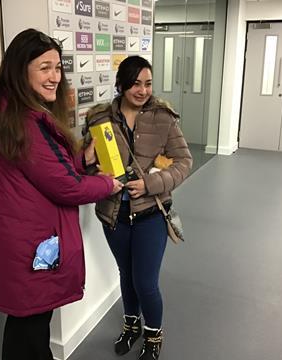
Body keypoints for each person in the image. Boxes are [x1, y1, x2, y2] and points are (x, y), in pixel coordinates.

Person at [0, 28, 123, 360]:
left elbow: (47, 170)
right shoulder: (26, 123)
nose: (55, 76)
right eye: (45, 67)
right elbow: (66, 186)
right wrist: (108, 184)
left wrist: (81, 160)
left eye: (57, 67)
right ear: (20, 70)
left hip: (24, 243)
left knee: (28, 327)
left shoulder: (11, 113)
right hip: (32, 247)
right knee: (28, 330)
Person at [83, 56, 192, 360]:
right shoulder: (98, 118)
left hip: (151, 214)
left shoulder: (163, 117)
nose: (142, 90)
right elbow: (85, 171)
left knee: (145, 280)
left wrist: (151, 185)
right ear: (121, 85)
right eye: (135, 83)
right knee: (126, 274)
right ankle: (131, 326)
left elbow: (184, 161)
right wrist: (88, 162)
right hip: (113, 214)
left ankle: (153, 336)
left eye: (147, 83)